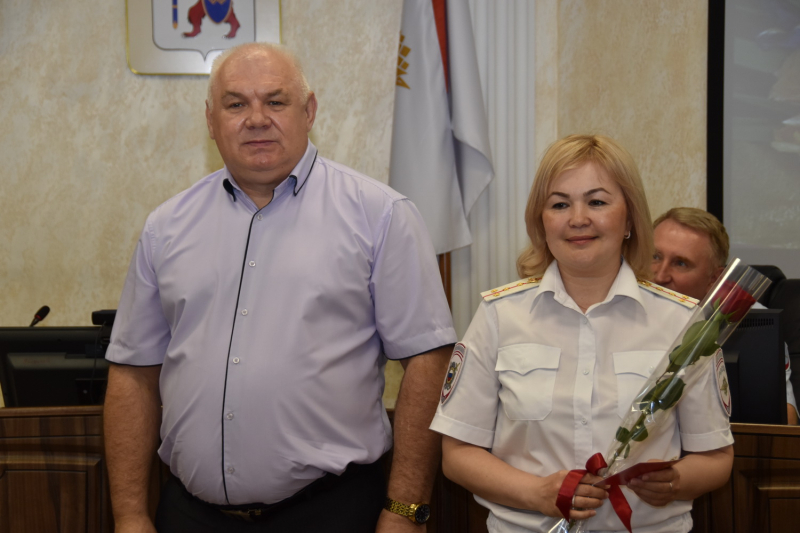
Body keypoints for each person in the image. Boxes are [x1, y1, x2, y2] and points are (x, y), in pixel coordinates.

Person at [103, 42, 456, 533]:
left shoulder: (381, 216)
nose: (256, 119)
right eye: (235, 104)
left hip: (330, 513)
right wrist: (129, 515)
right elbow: (132, 373)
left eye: (275, 101)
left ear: (308, 111)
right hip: (190, 515)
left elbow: (428, 361)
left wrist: (405, 511)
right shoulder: (166, 227)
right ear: (211, 121)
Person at [430, 134, 734, 533]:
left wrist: (676, 481)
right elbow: (458, 454)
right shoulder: (499, 315)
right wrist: (536, 493)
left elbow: (715, 458)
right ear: (541, 221)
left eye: (597, 202)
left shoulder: (683, 322)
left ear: (630, 219)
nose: (577, 219)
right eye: (559, 204)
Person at [652, 207, 798, 425]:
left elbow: (785, 421)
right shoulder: (619, 308)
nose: (660, 276)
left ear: (715, 278)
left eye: (680, 263)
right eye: (655, 256)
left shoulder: (752, 323)